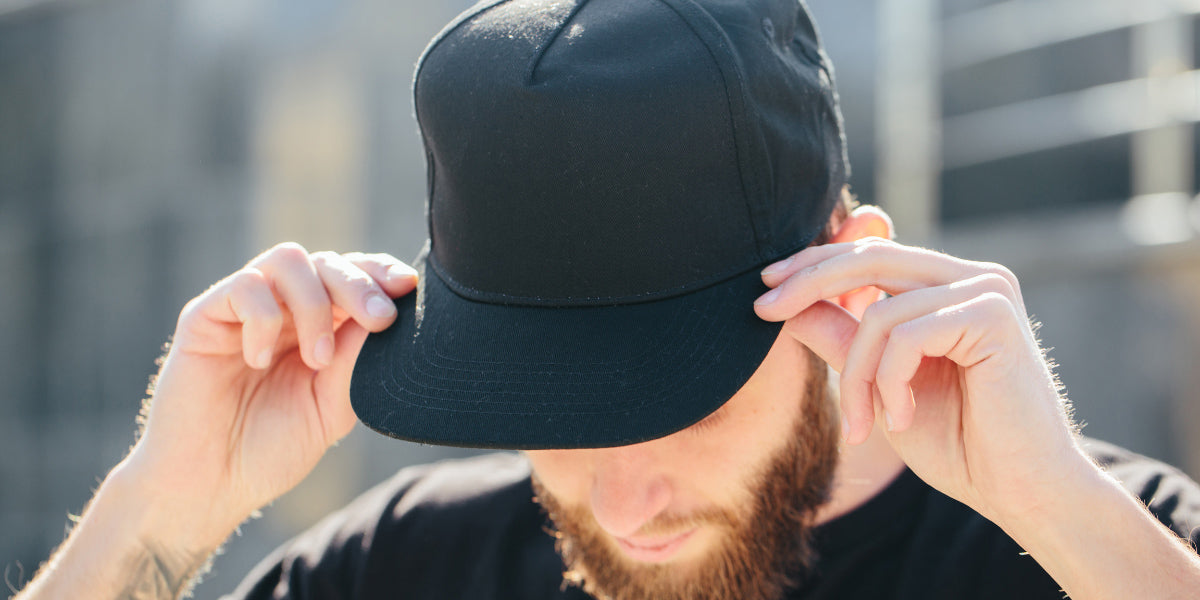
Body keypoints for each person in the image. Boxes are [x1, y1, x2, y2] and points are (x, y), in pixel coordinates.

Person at [14, 0, 1200, 598]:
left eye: (679, 396)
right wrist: (161, 513)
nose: (623, 498)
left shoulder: (1103, 544)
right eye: (559, 406)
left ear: (853, 271)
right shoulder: (413, 567)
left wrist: (1059, 512)